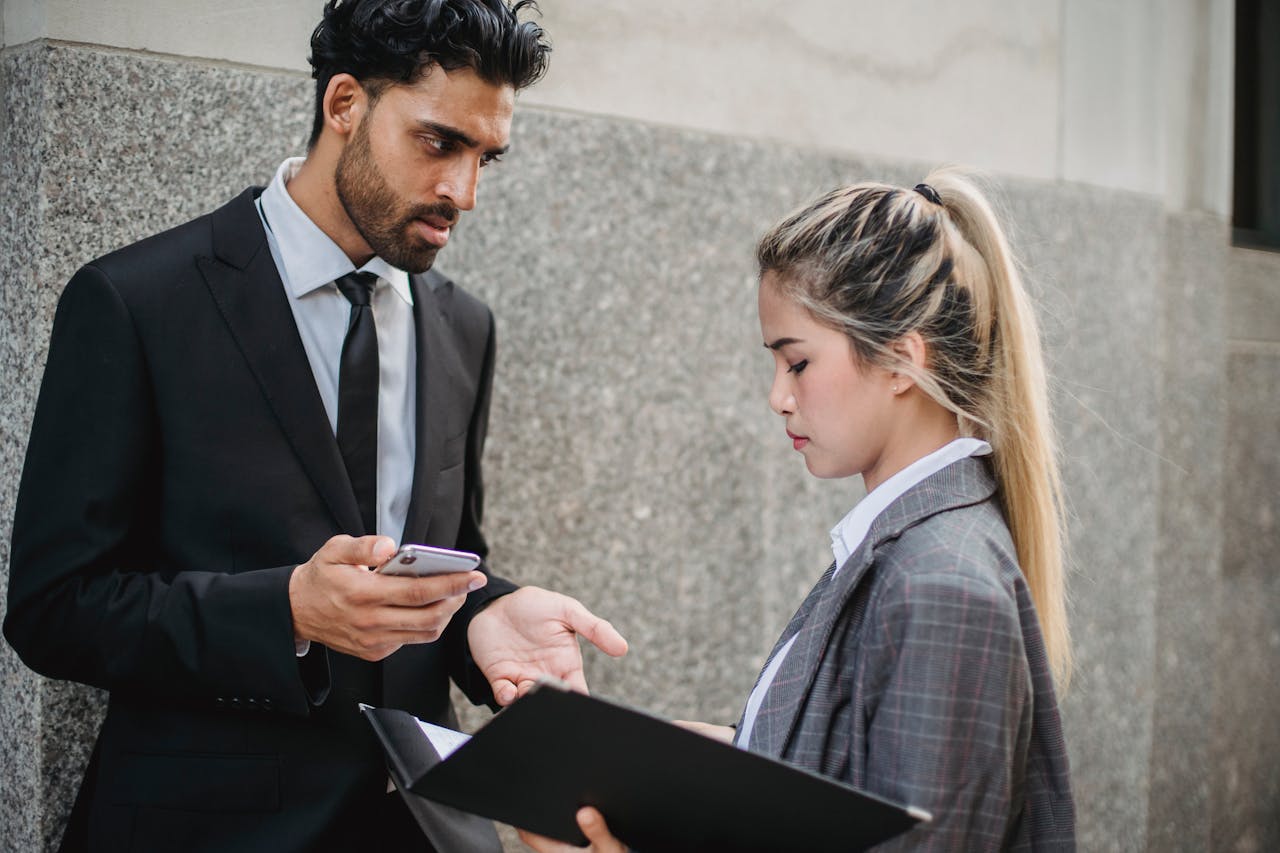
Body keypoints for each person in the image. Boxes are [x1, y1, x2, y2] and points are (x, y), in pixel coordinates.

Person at [3, 1, 628, 851]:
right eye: (439, 142)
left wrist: (490, 614)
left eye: (487, 157)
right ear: (344, 105)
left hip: (423, 827)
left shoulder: (463, 326)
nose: (465, 192)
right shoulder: (137, 302)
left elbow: (444, 555)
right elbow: (54, 609)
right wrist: (288, 610)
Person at [520, 170, 1075, 852]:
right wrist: (658, 759)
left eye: (798, 363)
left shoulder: (942, 586)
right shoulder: (906, 545)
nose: (777, 397)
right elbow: (839, 782)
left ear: (901, 360)